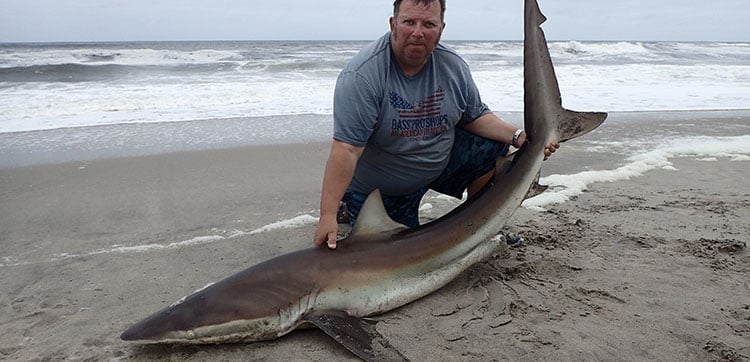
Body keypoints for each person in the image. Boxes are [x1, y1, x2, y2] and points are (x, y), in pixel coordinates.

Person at [313, 0, 558, 250]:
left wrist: (521, 138)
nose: (418, 32)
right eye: (409, 22)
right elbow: (346, 149)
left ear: (441, 29)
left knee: (493, 147)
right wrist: (326, 216)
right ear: (393, 24)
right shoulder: (363, 76)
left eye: (428, 24)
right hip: (382, 189)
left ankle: (482, 226)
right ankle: (346, 208)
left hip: (437, 165)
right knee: (397, 255)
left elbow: (474, 116)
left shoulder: (453, 66)